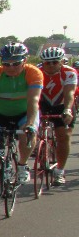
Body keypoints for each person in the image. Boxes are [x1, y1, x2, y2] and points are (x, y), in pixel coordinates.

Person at [0, 41, 42, 204]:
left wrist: (30, 124)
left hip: (24, 113)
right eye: (6, 64)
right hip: (0, 114)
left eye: (16, 63)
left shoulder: (33, 73)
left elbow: (34, 100)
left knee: (26, 134)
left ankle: (22, 164)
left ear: (25, 61)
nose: (11, 67)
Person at [37, 45, 76, 184]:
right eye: (47, 63)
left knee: (63, 136)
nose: (51, 65)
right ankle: (39, 146)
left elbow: (69, 93)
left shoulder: (69, 72)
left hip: (62, 104)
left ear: (61, 61)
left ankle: (60, 171)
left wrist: (67, 110)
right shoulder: (37, 72)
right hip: (43, 103)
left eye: (55, 62)